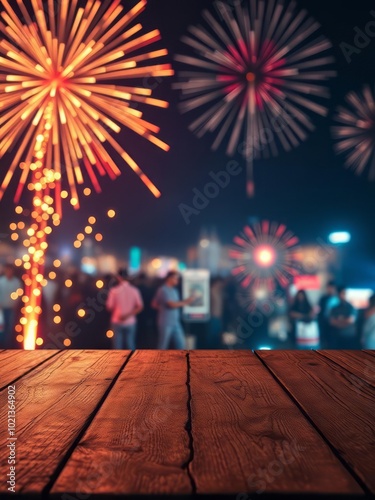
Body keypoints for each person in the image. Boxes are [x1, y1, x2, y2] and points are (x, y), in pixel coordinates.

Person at [152, 271, 194, 349]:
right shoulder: (163, 290)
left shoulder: (174, 291)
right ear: (169, 279)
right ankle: (158, 360)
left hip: (175, 322)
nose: (177, 280)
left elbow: (155, 304)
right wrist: (186, 302)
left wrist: (162, 307)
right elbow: (171, 305)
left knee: (181, 344)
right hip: (166, 322)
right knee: (163, 345)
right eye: (175, 278)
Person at [106, 269, 143, 350]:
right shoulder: (134, 290)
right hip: (130, 321)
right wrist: (128, 315)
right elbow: (140, 306)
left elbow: (109, 307)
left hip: (117, 320)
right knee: (130, 344)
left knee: (117, 346)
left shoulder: (114, 290)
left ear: (119, 277)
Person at [0, 264, 22, 348]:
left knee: (9, 327)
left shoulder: (16, 282)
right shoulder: (1, 281)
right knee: (1, 327)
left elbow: (19, 295)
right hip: (1, 309)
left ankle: (7, 345)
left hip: (11, 308)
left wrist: (16, 304)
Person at [318, 281, 338, 348]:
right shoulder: (323, 299)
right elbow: (320, 310)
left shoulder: (337, 299)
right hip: (324, 322)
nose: (330, 289)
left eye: (332, 288)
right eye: (329, 288)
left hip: (335, 323)